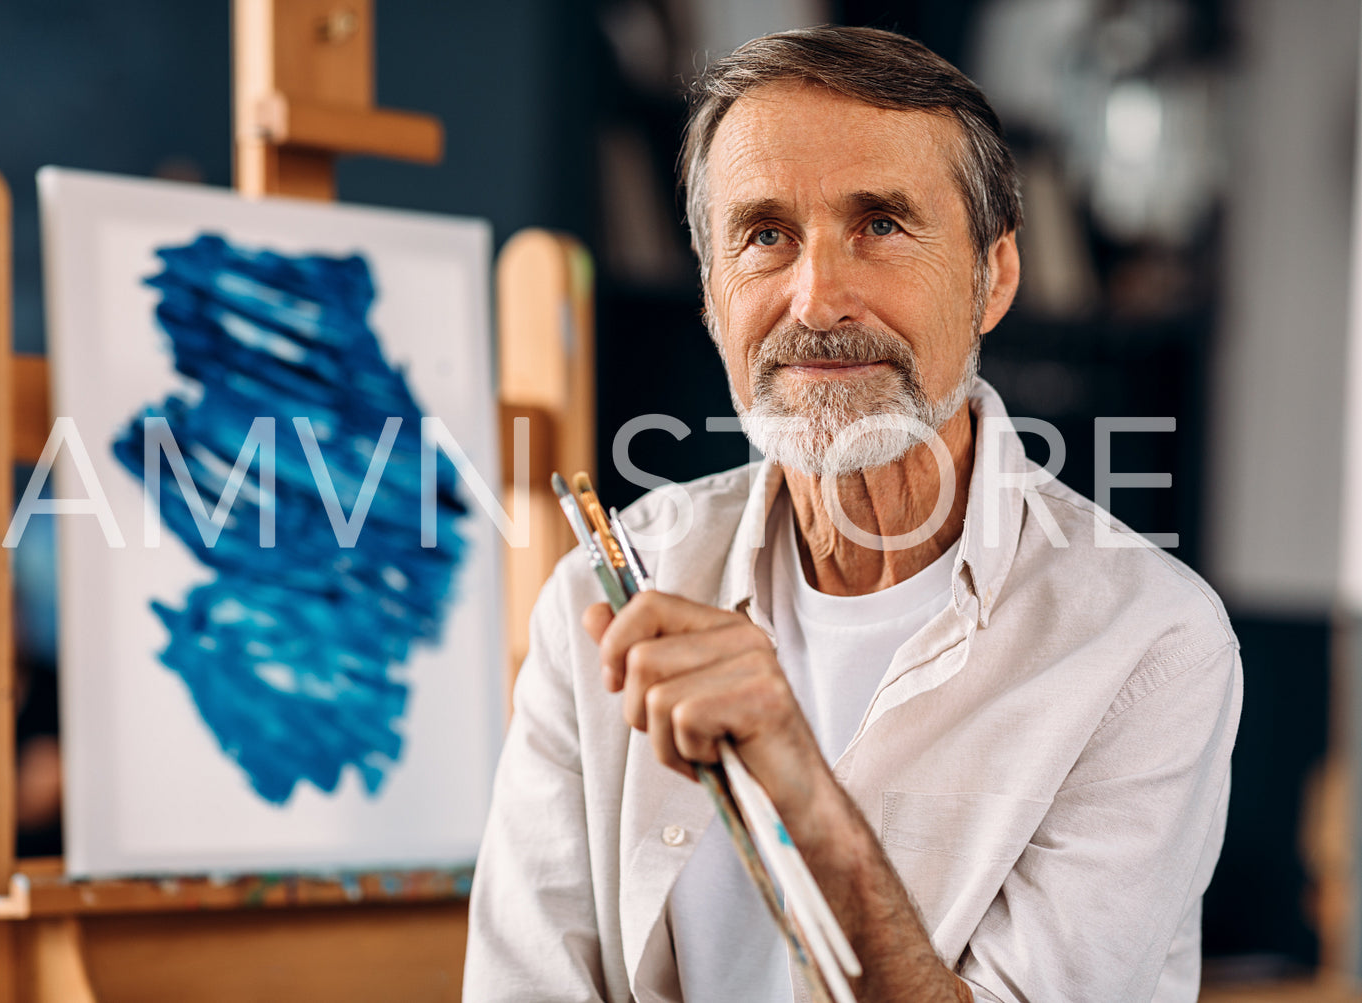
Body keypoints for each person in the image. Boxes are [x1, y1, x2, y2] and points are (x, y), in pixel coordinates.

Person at [463, 25, 1240, 1003]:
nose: (816, 297)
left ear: (990, 279)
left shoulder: (1146, 642)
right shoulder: (608, 593)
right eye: (763, 234)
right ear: (711, 294)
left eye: (879, 224)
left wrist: (802, 790)